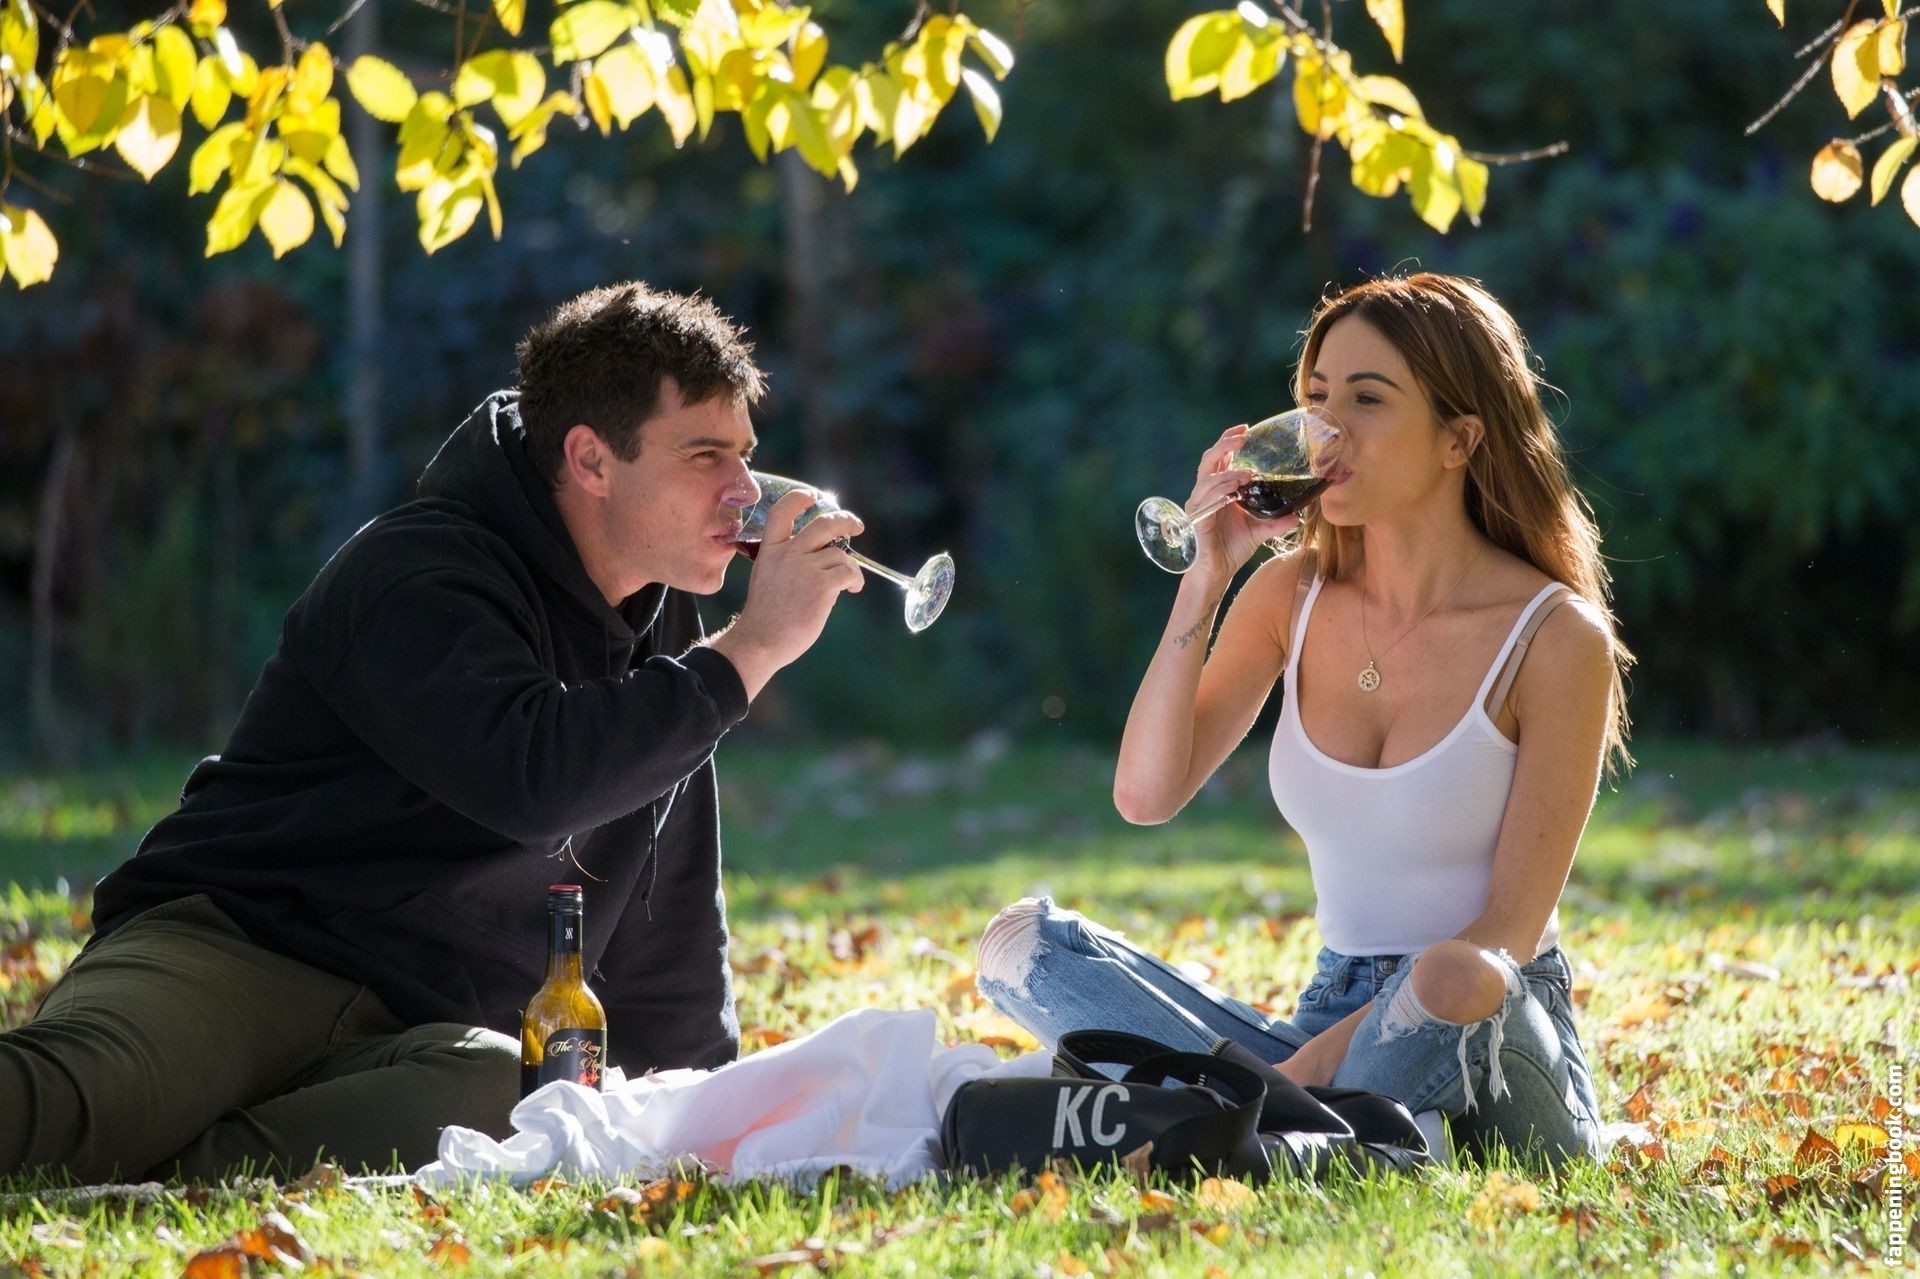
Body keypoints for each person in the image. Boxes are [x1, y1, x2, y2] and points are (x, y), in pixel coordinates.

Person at [0, 282, 866, 1183]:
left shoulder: (668, 630)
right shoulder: (418, 572)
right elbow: (532, 780)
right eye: (704, 455)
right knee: (71, 1103)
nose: (744, 491)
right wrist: (752, 649)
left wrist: (698, 1107)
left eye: (744, 455)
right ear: (592, 459)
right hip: (241, 948)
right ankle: (132, 1137)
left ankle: (153, 1173)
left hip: (415, 1030)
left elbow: (666, 908)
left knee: (524, 1099)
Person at [974, 273, 1632, 1168]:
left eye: (1368, 399)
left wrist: (1294, 1076)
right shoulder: (1292, 594)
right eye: (1318, 399)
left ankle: (1265, 1127)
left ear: (1460, 438)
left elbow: (1509, 933)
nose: (1328, 429)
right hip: (1328, 1017)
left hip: (1487, 1028)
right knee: (1024, 945)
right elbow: (1145, 794)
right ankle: (1333, 1139)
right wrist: (1206, 575)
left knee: (1451, 972)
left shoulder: (1554, 637)